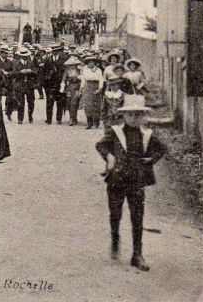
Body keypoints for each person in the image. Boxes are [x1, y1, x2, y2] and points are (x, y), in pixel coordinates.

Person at [96, 94, 167, 271]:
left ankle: (137, 254)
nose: (133, 118)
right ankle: (115, 237)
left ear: (143, 116)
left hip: (136, 180)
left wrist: (150, 161)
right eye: (130, 115)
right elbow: (100, 145)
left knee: (137, 217)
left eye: (137, 115)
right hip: (117, 180)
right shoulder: (115, 132)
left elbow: (162, 148)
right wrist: (110, 156)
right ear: (124, 116)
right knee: (115, 213)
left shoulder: (147, 135)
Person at [41, 44, 67, 125]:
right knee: (49, 102)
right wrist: (46, 79)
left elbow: (65, 71)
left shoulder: (63, 59)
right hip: (50, 84)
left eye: (56, 51)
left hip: (59, 83)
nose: (55, 52)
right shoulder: (48, 59)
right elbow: (44, 71)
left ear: (59, 51)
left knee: (60, 102)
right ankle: (49, 119)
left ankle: (59, 119)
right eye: (53, 51)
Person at [12, 46, 36, 124]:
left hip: (29, 85)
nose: (25, 57)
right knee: (20, 103)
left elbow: (36, 72)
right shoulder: (16, 63)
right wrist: (20, 72)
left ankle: (30, 116)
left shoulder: (31, 63)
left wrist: (31, 71)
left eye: (26, 56)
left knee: (31, 102)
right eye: (23, 56)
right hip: (20, 85)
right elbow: (13, 74)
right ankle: (20, 118)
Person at [81, 54, 104, 129]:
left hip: (96, 85)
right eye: (89, 62)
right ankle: (89, 122)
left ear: (94, 63)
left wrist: (100, 88)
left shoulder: (98, 70)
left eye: (92, 62)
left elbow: (101, 79)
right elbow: (83, 79)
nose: (91, 64)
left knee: (96, 105)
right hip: (87, 87)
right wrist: (81, 88)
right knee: (87, 105)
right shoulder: (85, 69)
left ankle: (96, 121)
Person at [0, 44, 15, 120]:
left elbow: (14, 71)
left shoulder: (10, 62)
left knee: (10, 99)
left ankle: (9, 113)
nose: (6, 55)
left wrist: (7, 73)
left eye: (7, 53)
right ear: (1, 53)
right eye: (4, 53)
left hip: (8, 82)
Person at [61, 56, 82, 126]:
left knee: (75, 103)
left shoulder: (79, 70)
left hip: (77, 87)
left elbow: (82, 79)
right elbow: (63, 79)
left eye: (74, 64)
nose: (73, 66)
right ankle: (71, 118)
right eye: (71, 64)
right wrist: (63, 86)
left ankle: (74, 117)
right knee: (69, 103)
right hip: (69, 88)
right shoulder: (67, 71)